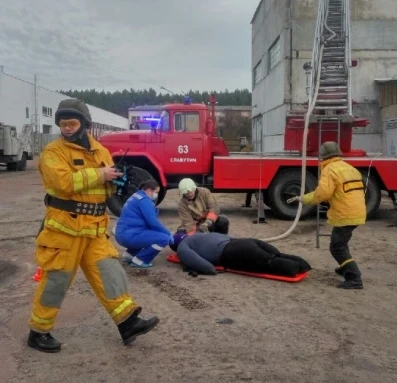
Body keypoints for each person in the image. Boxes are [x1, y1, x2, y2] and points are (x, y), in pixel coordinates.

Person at [28, 98, 159, 353]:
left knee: (110, 273)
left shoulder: (100, 151)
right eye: (63, 123)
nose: (67, 128)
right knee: (56, 281)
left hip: (95, 229)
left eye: (72, 122)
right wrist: (101, 175)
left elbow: (106, 187)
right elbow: (63, 182)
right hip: (64, 230)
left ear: (84, 124)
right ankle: (38, 332)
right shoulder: (53, 152)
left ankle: (127, 322)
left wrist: (119, 182)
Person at [287, 141, 366, 290]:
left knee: (336, 247)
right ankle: (345, 267)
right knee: (342, 243)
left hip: (345, 214)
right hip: (358, 212)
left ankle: (354, 278)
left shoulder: (329, 170)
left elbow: (323, 193)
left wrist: (304, 199)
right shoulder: (349, 168)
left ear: (322, 156)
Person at [170, 232, 311, 277]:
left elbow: (204, 266)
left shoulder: (182, 247)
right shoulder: (199, 235)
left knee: (268, 263)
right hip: (243, 242)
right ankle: (304, 264)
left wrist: (209, 270)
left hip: (231, 253)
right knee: (276, 254)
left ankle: (294, 268)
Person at [115, 179, 174, 268]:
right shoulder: (144, 200)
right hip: (129, 235)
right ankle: (141, 259)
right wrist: (168, 233)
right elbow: (153, 222)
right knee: (163, 238)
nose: (156, 195)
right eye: (156, 192)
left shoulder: (137, 196)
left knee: (146, 233)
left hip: (122, 234)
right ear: (149, 190)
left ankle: (130, 255)